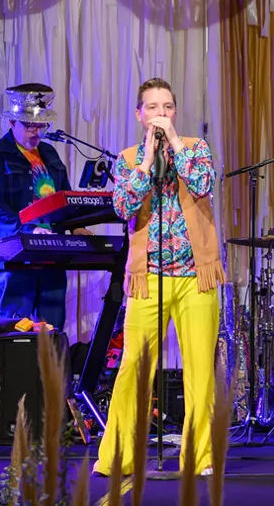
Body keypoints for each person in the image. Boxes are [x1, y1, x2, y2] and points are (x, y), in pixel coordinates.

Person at [94, 78, 226, 477]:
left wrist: (176, 146)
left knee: (201, 370)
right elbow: (122, 206)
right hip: (148, 278)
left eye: (167, 107)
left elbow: (203, 185)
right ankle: (120, 457)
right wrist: (147, 162)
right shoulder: (128, 157)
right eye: (152, 108)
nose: (161, 114)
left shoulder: (196, 150)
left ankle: (199, 457)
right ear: (139, 114)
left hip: (195, 277)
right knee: (133, 366)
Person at [0, 83, 75, 330]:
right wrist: (30, 230)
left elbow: (66, 198)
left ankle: (51, 371)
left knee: (52, 332)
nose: (36, 132)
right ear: (12, 123)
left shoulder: (50, 153)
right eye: (30, 125)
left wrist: (77, 227)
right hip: (16, 258)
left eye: (41, 125)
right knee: (16, 331)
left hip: (51, 257)